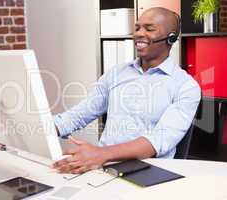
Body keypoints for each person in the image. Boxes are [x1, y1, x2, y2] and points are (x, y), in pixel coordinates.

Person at [52, 7, 201, 174]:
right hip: (103, 167)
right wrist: (47, 127)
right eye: (137, 28)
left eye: (149, 29)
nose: (139, 33)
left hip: (149, 171)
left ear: (171, 37)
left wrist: (101, 154)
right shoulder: (116, 73)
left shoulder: (186, 86)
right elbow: (81, 113)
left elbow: (157, 141)